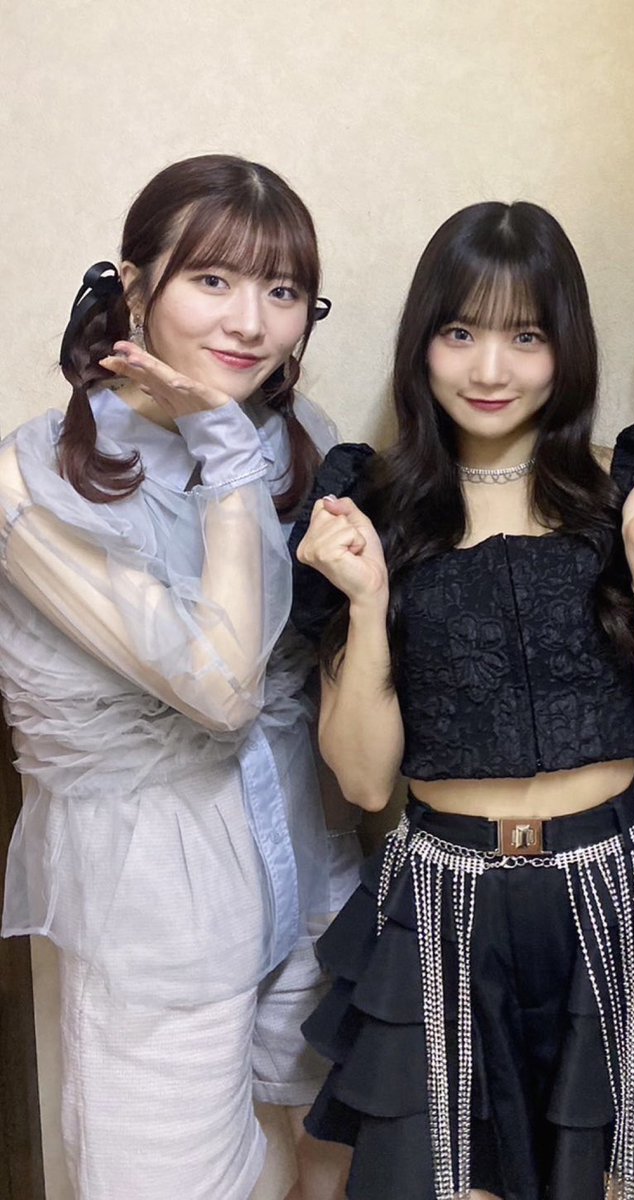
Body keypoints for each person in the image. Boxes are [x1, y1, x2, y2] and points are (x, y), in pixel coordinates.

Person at [288, 200, 634, 1200]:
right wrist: (367, 601)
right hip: (441, 900)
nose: (490, 369)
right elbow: (365, 781)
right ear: (422, 343)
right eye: (461, 333)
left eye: (525, 336)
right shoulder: (371, 512)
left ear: (566, 347)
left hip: (612, 891)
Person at [0, 154, 360, 1200]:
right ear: (134, 283)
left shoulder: (303, 441)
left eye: (282, 291)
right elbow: (219, 686)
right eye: (212, 279)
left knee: (324, 1162)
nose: (250, 321)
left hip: (310, 864)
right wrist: (220, 443)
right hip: (157, 899)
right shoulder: (31, 481)